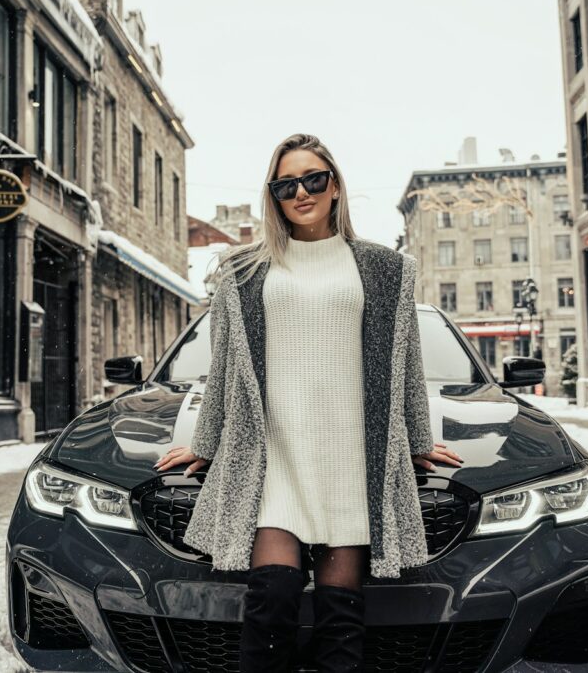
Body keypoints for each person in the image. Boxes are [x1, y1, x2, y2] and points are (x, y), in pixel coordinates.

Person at [153, 133, 463, 672]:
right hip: (275, 455)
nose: (301, 192)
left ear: (335, 185)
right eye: (286, 184)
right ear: (273, 196)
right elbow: (225, 368)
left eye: (313, 179)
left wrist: (413, 441)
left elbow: (405, 364)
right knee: (271, 599)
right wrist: (205, 444)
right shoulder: (242, 271)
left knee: (341, 618)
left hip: (350, 458)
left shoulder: (386, 269)